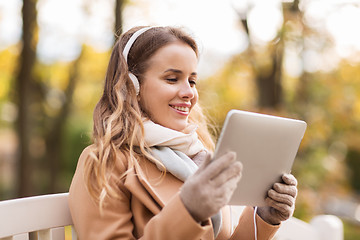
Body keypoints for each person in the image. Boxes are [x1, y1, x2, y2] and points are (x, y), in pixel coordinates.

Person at [68, 26, 298, 240]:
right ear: (131, 87)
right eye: (172, 79)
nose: (189, 93)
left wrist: (265, 217)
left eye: (192, 81)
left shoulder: (200, 156)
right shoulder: (104, 161)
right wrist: (188, 210)